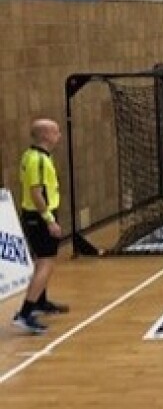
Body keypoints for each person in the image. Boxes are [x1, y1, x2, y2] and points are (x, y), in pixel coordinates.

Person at [12, 119, 70, 335]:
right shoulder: (36, 159)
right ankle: (24, 314)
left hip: (41, 214)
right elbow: (36, 193)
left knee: (43, 260)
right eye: (56, 132)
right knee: (46, 262)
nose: (59, 135)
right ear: (45, 135)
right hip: (38, 216)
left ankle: (40, 302)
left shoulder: (38, 156)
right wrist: (49, 219)